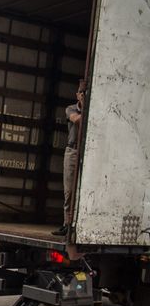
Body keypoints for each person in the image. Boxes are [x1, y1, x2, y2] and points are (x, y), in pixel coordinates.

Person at [52, 80, 86, 236]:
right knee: (69, 191)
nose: (83, 96)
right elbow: (78, 120)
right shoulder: (71, 109)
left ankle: (80, 224)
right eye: (82, 93)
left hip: (87, 152)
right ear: (77, 95)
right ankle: (67, 224)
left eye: (86, 93)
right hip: (73, 151)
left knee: (83, 190)